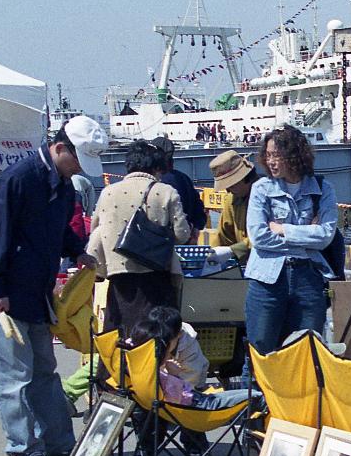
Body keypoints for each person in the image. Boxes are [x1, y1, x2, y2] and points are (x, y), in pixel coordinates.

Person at [0, 116, 106, 456]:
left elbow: (59, 229)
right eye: (76, 160)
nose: (79, 169)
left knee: (45, 370)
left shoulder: (62, 186)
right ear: (60, 148)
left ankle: (59, 443)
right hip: (5, 293)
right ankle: (22, 446)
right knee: (14, 374)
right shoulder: (19, 178)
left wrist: (77, 249)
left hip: (37, 289)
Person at [244, 125, 338, 355]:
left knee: (307, 347)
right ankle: (258, 391)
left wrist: (282, 229)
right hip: (266, 278)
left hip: (308, 276)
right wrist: (306, 236)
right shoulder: (261, 189)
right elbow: (259, 237)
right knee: (260, 347)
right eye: (268, 155)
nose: (271, 161)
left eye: (277, 155)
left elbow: (326, 235)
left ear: (294, 154)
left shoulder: (322, 188)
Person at [87, 141, 192, 334]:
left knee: (119, 336)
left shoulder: (108, 192)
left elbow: (96, 229)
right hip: (157, 276)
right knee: (155, 339)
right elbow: (182, 234)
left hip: (119, 278)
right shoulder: (166, 191)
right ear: (157, 167)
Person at [207, 149, 258, 265]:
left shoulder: (267, 195)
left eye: (231, 185)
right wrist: (213, 254)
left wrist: (232, 251)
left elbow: (265, 235)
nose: (227, 190)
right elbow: (223, 235)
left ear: (244, 178)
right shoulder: (231, 199)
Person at [152, 137, 207, 239]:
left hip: (166, 244)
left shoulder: (157, 183)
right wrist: (195, 228)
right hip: (188, 238)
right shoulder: (184, 178)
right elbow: (199, 208)